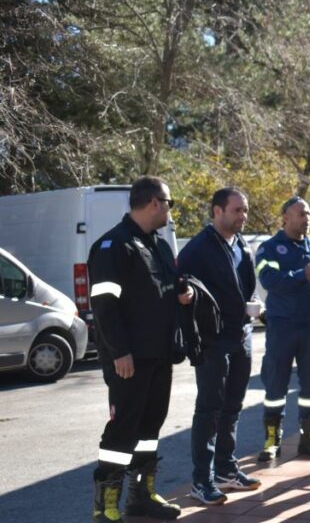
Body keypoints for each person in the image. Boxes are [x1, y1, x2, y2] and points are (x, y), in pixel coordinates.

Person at [88, 176, 193, 523]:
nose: (169, 210)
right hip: (128, 360)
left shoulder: (160, 246)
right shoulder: (113, 246)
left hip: (159, 355)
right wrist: (119, 352)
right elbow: (104, 306)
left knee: (150, 429)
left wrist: (183, 293)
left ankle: (141, 497)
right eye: (169, 203)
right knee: (123, 429)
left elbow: (164, 288)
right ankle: (106, 506)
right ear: (153, 203)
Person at [177, 187, 262, 505]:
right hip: (214, 342)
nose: (243, 216)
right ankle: (202, 480)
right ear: (217, 211)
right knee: (209, 411)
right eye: (237, 210)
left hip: (242, 337)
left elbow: (243, 289)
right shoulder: (197, 249)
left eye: (245, 210)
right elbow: (181, 293)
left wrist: (253, 307)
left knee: (232, 408)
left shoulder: (243, 245)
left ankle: (226, 471)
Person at [254, 196, 310, 463]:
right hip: (282, 327)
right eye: (301, 214)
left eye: (309, 213)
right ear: (286, 218)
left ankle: (309, 437)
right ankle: (272, 439)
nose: (307, 218)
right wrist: (304, 275)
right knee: (276, 384)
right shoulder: (269, 248)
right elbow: (270, 280)